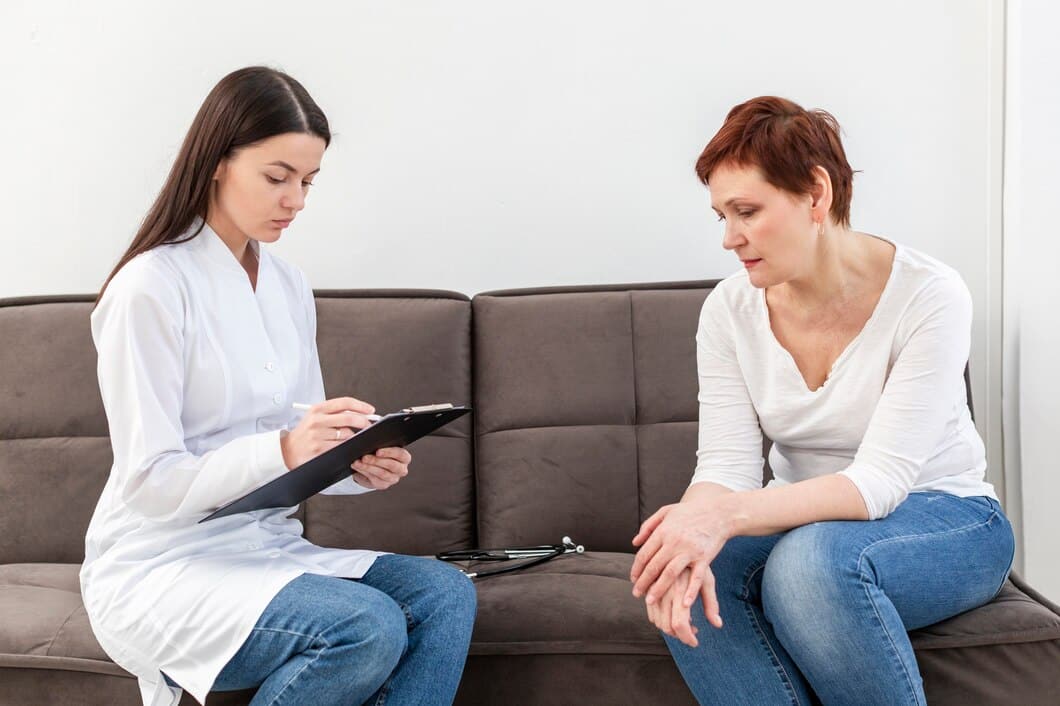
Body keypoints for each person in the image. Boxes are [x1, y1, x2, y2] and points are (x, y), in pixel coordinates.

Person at [80, 66, 476, 706]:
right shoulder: (148, 289)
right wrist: (288, 448)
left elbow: (299, 449)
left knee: (445, 594)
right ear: (217, 162)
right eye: (277, 177)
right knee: (365, 625)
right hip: (160, 567)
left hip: (264, 551)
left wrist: (355, 462)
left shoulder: (287, 285)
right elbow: (150, 483)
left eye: (308, 181)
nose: (296, 200)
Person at [629, 96, 1014, 705]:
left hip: (947, 516)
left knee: (808, 566)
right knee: (691, 573)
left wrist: (723, 519)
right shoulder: (729, 310)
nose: (729, 238)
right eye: (722, 216)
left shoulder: (930, 295)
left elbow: (879, 481)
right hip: (807, 527)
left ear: (816, 193)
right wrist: (690, 533)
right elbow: (725, 467)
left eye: (747, 211)